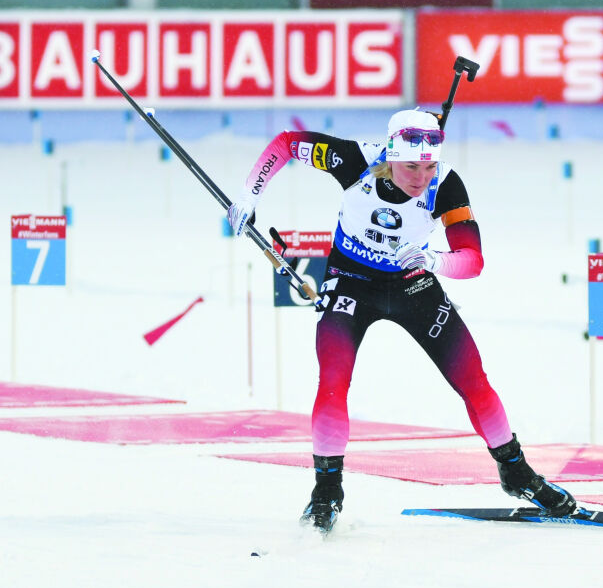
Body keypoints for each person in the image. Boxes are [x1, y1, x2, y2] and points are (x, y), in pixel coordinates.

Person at [227, 108, 576, 533]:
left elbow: (473, 261)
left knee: (474, 381)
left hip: (414, 285)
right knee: (333, 381)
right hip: (351, 282)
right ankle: (326, 491)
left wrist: (435, 259)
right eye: (411, 166)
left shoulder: (445, 185)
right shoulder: (356, 160)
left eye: (429, 165)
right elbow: (285, 144)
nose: (421, 177)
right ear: (390, 154)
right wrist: (249, 195)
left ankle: (516, 473)